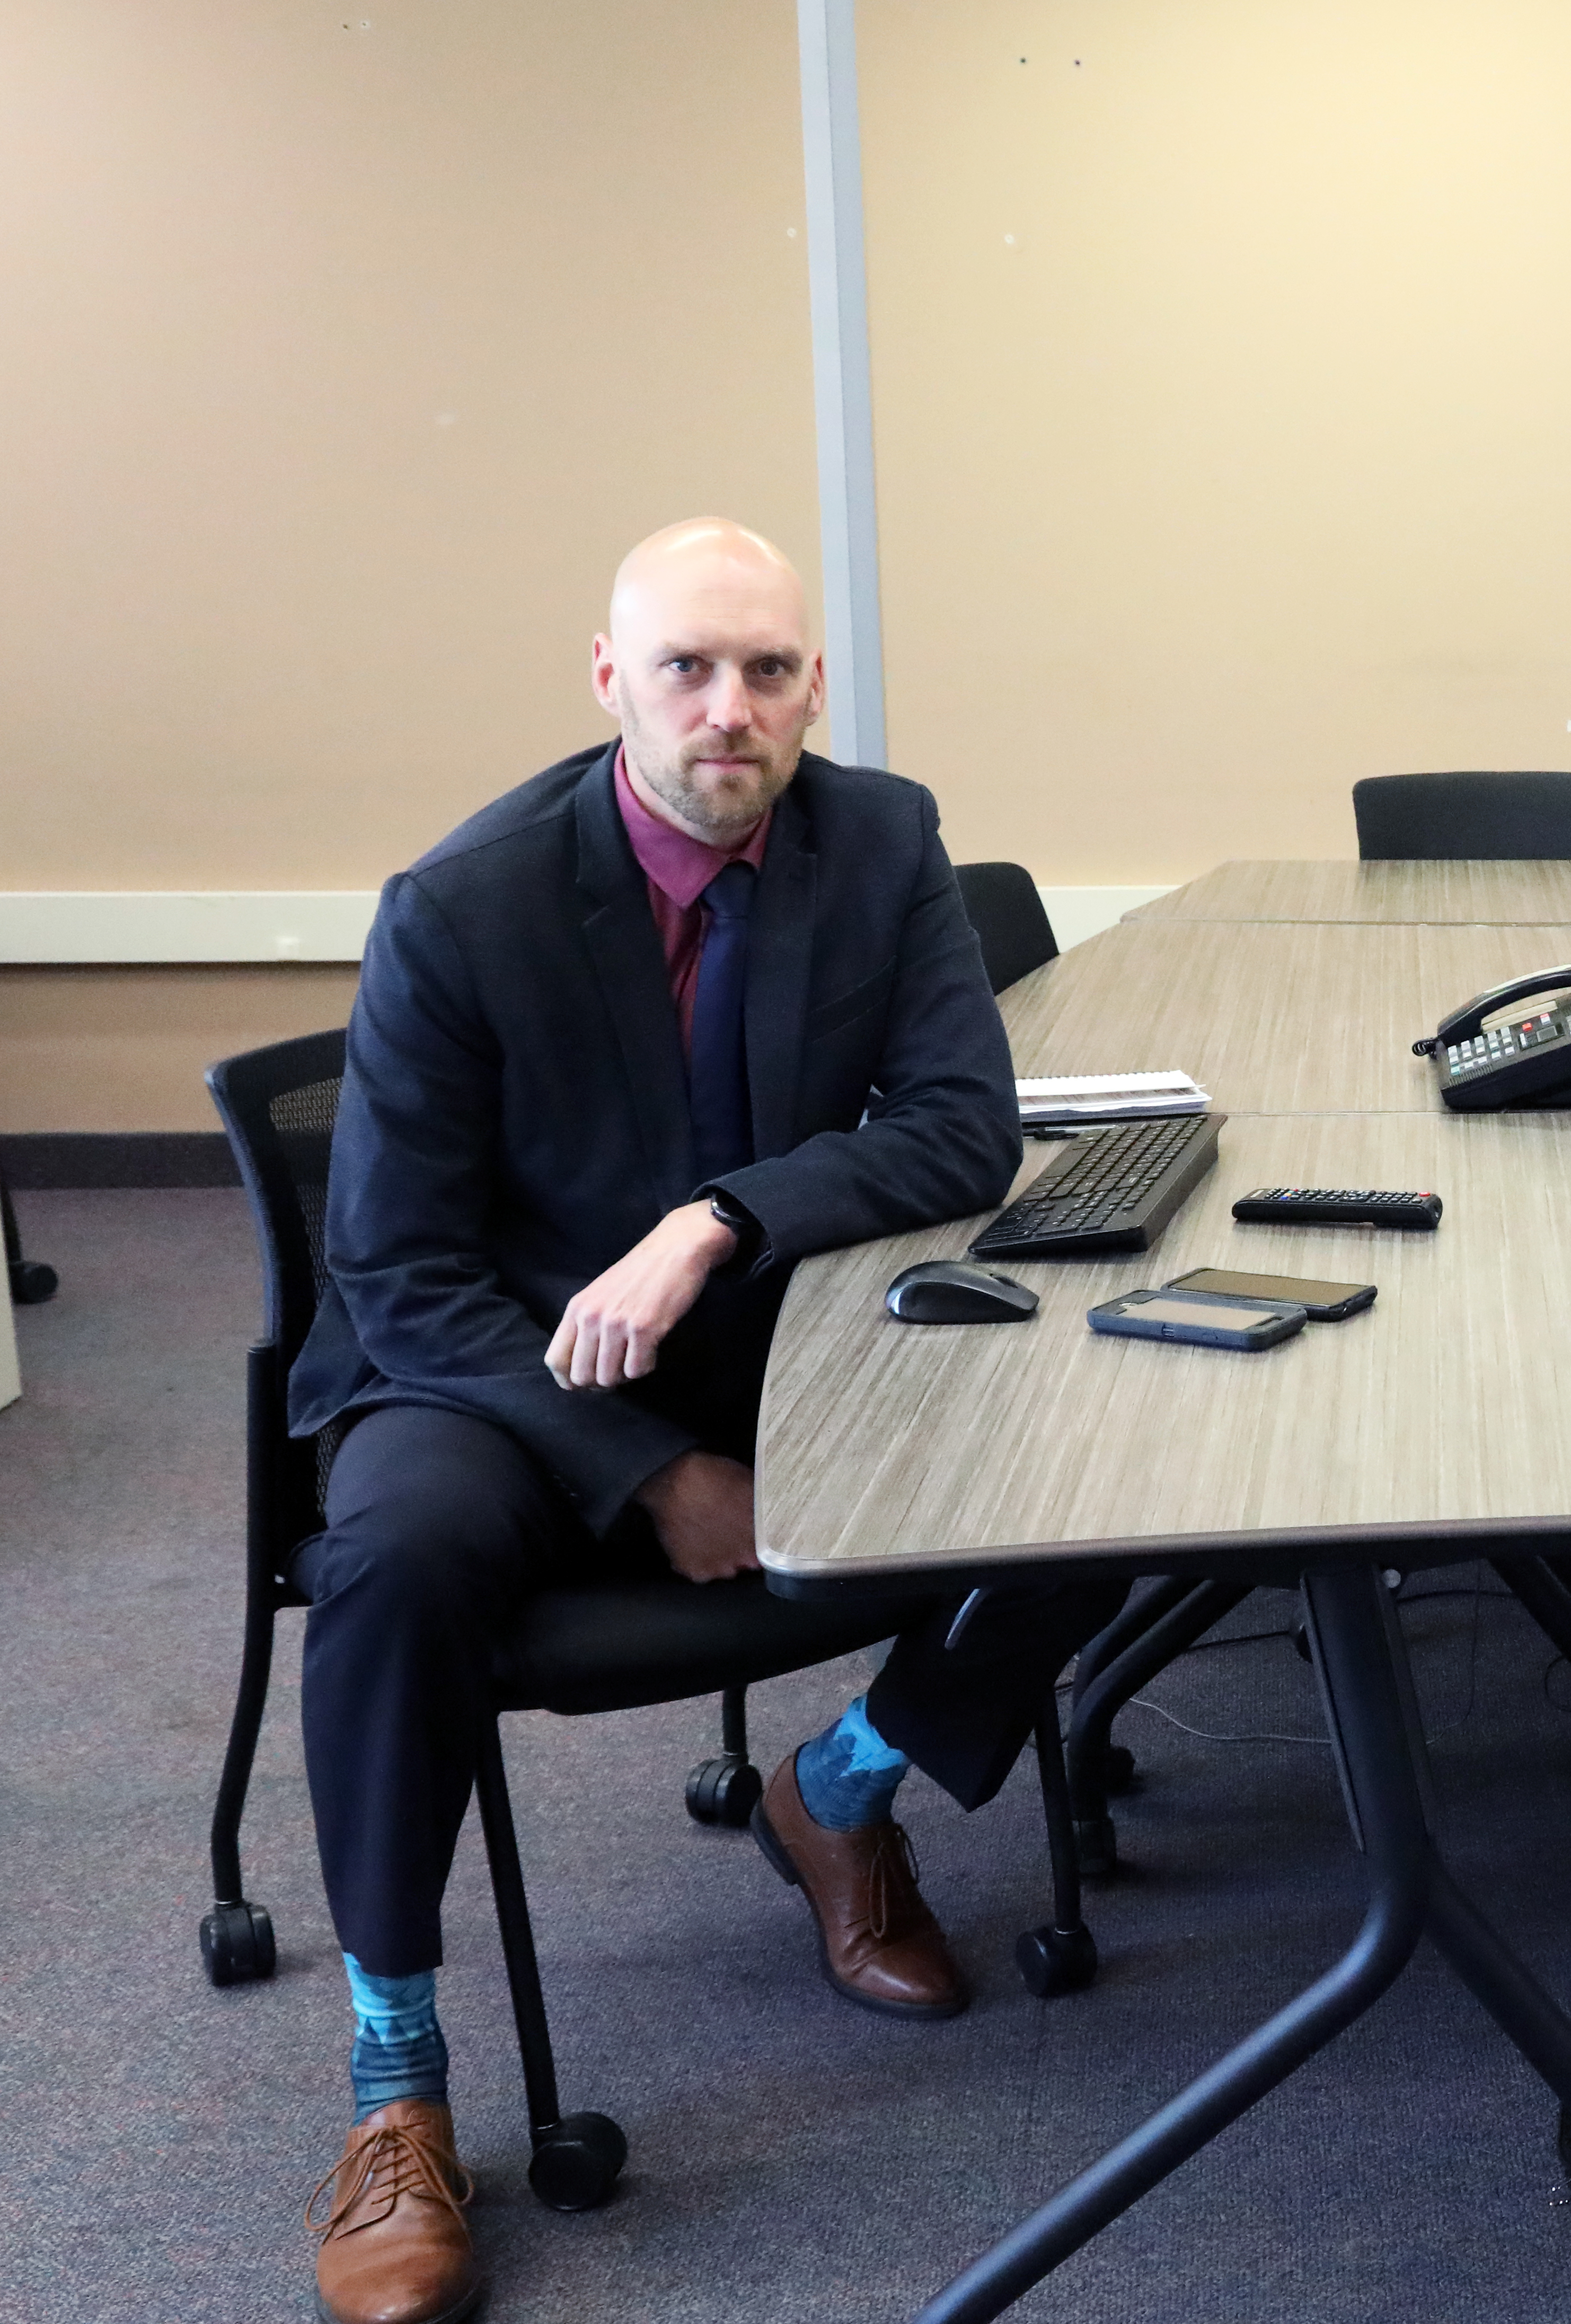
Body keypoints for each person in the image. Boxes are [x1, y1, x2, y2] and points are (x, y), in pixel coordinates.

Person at [286, 519, 1113, 2324]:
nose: (728, 710)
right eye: (686, 667)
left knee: (1124, 1442)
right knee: (395, 1554)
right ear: (610, 682)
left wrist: (715, 1217)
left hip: (751, 1315)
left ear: (815, 686)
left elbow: (963, 1128)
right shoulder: (464, 902)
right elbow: (396, 1268)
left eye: (769, 670)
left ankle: (843, 1791)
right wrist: (652, 1470)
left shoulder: (877, 836)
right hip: (492, 1359)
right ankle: (394, 2084)